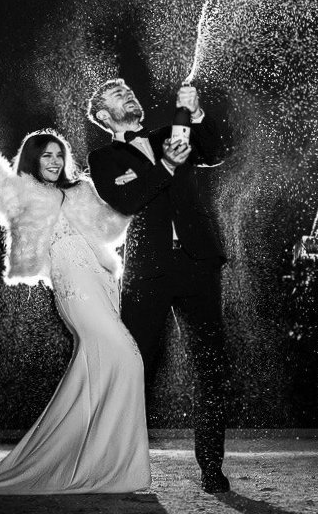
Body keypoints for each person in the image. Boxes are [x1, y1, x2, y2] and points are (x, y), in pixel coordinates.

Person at [0, 90, 150, 495]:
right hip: (75, 291)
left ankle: (100, 465)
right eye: (45, 155)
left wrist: (133, 180)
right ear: (32, 159)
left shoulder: (85, 188)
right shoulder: (18, 193)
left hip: (103, 285)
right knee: (127, 358)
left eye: (58, 154)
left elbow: (116, 223)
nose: (54, 161)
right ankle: (108, 462)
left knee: (100, 371)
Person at [87, 79, 230, 494]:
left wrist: (197, 114)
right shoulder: (103, 158)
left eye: (129, 92)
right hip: (147, 271)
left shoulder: (171, 133)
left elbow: (215, 152)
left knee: (211, 369)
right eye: (119, 96)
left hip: (198, 263)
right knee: (136, 369)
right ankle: (120, 464)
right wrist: (165, 166)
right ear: (103, 116)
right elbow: (126, 200)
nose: (129, 97)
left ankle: (211, 467)